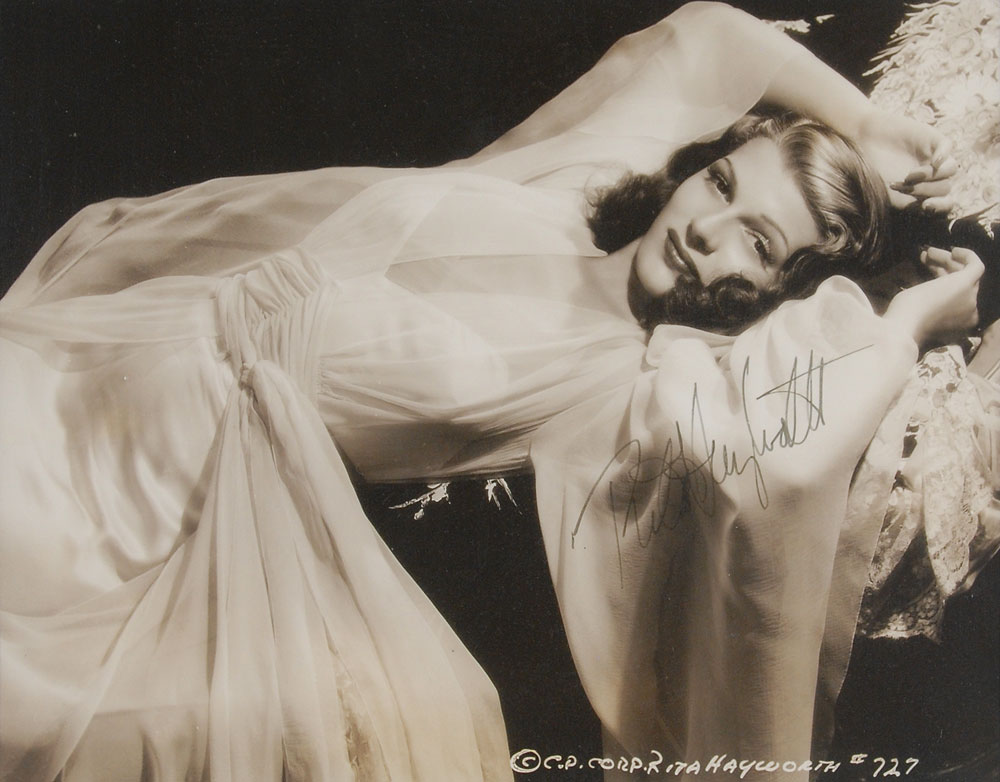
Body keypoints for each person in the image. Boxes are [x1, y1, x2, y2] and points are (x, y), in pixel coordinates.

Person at [0, 3, 991, 781]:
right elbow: (707, 37)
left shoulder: (631, 386)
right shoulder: (566, 189)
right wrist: (867, 122)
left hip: (147, 520)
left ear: (774, 295)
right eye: (723, 185)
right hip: (102, 356)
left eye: (757, 244)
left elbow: (784, 462)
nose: (706, 228)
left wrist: (905, 324)